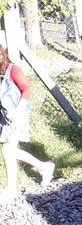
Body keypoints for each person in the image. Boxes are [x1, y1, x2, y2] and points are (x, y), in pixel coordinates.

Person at [0, 46, 55, 202]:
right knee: (9, 151)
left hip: (18, 114)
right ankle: (45, 167)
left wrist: (17, 111)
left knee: (7, 149)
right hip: (5, 117)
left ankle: (12, 189)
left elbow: (27, 89)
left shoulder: (13, 69)